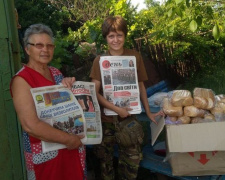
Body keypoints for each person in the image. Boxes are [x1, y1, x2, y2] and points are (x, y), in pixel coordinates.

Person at [90, 16, 164, 180]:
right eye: (111, 36)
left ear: (125, 35)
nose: (115, 40)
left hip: (129, 119)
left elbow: (141, 86)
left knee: (131, 164)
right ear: (106, 38)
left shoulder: (135, 57)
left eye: (119, 35)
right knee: (105, 165)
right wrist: (116, 109)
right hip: (106, 120)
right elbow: (94, 92)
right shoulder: (99, 61)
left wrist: (149, 112)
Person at [10, 24, 86, 180]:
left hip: (70, 150)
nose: (45, 49)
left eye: (49, 45)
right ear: (27, 49)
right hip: (45, 152)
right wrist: (69, 140)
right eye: (39, 45)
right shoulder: (22, 80)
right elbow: (30, 126)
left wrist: (69, 84)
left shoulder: (56, 72)